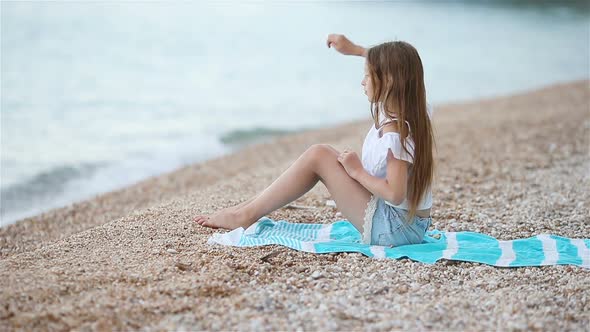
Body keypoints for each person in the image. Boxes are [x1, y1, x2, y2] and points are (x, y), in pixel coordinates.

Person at [194, 33, 436, 247]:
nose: (362, 82)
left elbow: (394, 193)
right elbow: (399, 67)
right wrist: (356, 50)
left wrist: (357, 171)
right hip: (408, 224)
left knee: (318, 155)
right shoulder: (414, 110)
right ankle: (243, 212)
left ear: (390, 81)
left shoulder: (395, 135)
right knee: (321, 153)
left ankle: (243, 215)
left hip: (394, 229)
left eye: (367, 75)